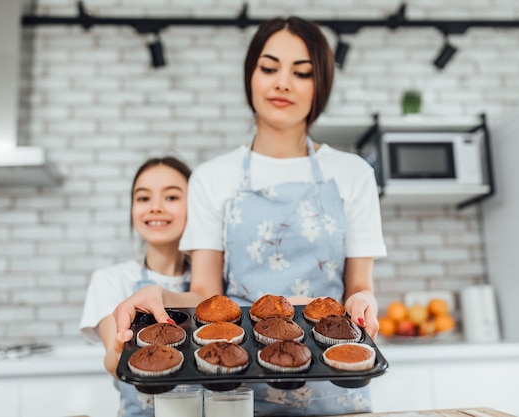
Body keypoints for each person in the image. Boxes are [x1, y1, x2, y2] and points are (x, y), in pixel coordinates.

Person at [112, 16, 387, 415]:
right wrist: (162, 298)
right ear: (250, 76)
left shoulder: (353, 174)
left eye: (303, 72)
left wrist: (363, 300)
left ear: (320, 84)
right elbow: (205, 294)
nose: (282, 83)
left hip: (335, 383)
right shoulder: (212, 178)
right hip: (236, 387)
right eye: (269, 67)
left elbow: (359, 286)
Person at [80, 156, 192, 417]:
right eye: (143, 198)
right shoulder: (110, 279)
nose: (155, 207)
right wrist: (118, 354)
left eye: (172, 197)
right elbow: (111, 357)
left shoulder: (211, 286)